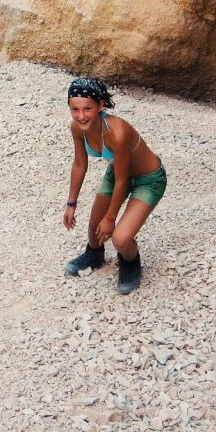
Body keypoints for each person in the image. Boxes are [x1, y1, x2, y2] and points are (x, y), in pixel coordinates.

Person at [63, 77, 167, 295]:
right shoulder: (77, 128)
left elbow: (122, 180)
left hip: (148, 179)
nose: (81, 116)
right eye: (75, 109)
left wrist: (110, 218)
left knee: (119, 238)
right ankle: (94, 254)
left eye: (87, 109)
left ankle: (130, 262)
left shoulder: (116, 133)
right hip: (118, 172)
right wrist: (71, 203)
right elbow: (80, 164)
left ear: (101, 106)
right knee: (94, 226)